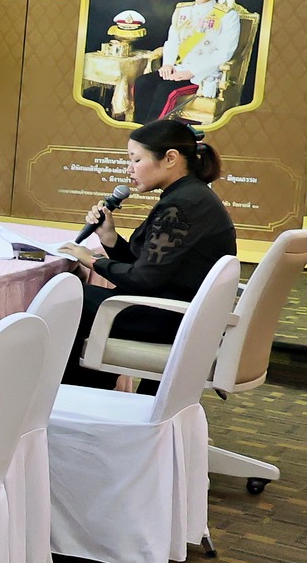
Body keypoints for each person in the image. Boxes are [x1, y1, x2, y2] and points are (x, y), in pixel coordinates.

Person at [57, 120, 236, 386]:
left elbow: (144, 279)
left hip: (171, 316)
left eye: (136, 160)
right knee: (74, 294)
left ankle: (70, 399)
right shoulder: (188, 197)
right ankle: (81, 398)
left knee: (65, 294)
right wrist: (109, 237)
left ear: (170, 158)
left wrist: (94, 262)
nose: (130, 170)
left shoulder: (181, 205)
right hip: (176, 309)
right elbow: (151, 268)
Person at [131, 0, 244, 123]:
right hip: (178, 67)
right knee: (142, 82)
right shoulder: (182, 11)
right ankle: (138, 129)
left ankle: (153, 132)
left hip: (203, 74)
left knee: (165, 90)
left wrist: (192, 71)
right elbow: (172, 42)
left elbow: (224, 53)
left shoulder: (228, 16)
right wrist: (168, 64)